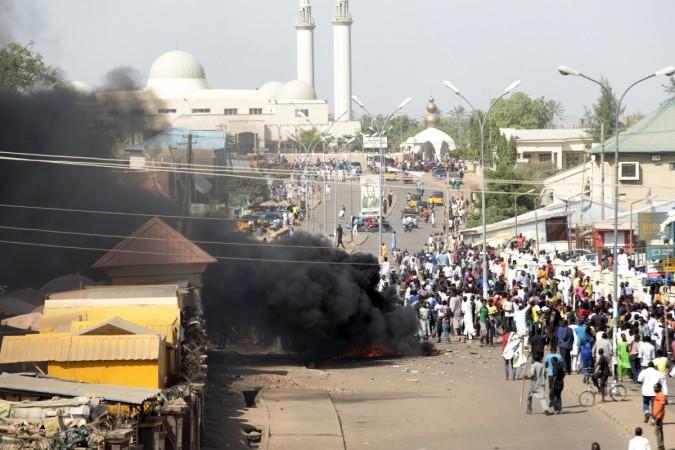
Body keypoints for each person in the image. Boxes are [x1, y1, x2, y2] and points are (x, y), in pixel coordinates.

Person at [653, 382, 667, 450]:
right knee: (659, 431)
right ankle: (661, 446)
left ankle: (660, 446)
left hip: (659, 416)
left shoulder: (661, 395)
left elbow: (662, 406)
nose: (654, 389)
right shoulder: (659, 394)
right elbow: (665, 402)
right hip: (657, 415)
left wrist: (656, 414)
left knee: (657, 431)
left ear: (659, 388)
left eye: (656, 388)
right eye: (654, 388)